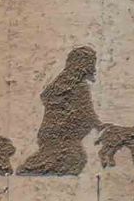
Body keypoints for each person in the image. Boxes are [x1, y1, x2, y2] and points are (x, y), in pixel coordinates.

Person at [18, 47, 101, 175]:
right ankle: (30, 168)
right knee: (72, 160)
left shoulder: (70, 84)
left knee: (74, 160)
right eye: (91, 63)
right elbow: (86, 112)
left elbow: (87, 111)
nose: (94, 68)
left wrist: (98, 125)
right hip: (58, 137)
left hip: (62, 137)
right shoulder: (74, 85)